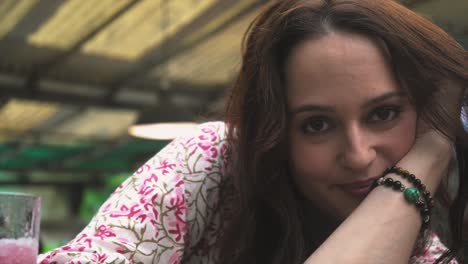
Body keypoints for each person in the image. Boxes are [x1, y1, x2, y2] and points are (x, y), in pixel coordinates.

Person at [38, 0, 468, 263]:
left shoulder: (423, 252)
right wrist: (427, 158)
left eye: (384, 114)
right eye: (317, 125)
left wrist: (431, 149)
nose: (357, 155)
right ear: (275, 132)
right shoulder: (213, 160)